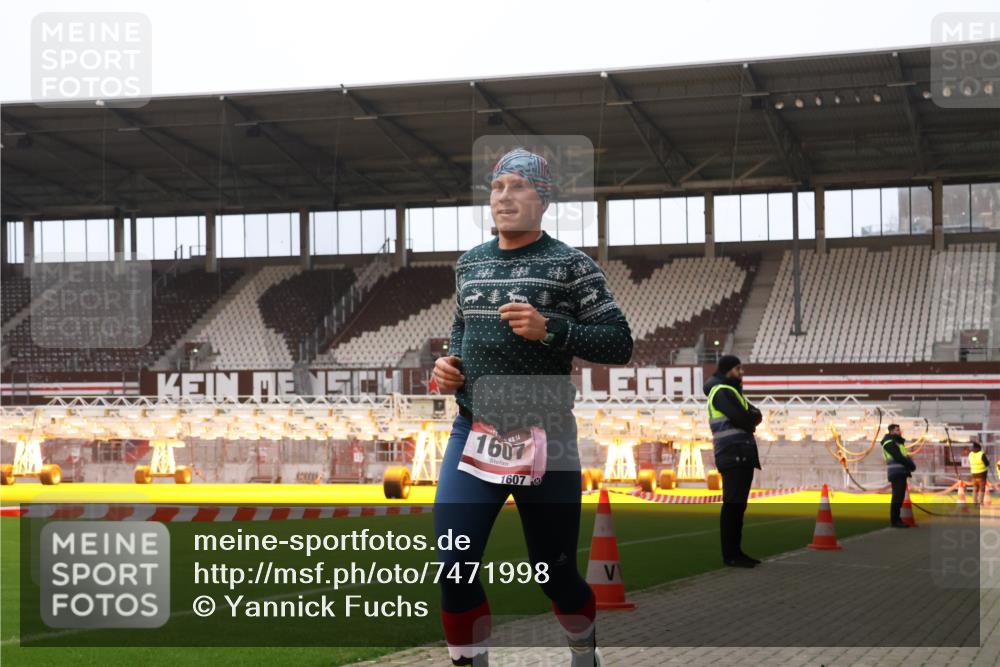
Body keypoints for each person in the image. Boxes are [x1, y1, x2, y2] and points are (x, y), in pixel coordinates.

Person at [432, 147, 633, 667]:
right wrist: (447, 366)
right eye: (497, 187)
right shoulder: (470, 264)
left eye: (517, 186)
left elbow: (619, 342)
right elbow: (460, 331)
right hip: (473, 433)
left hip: (548, 441)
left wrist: (551, 330)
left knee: (555, 573)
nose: (504, 197)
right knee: (453, 565)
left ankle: (583, 652)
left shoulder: (571, 265)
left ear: (544, 199)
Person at [703, 355, 763, 568]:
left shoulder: (732, 392)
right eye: (738, 368)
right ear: (728, 370)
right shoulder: (722, 392)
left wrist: (750, 418)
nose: (741, 372)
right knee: (733, 506)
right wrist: (750, 420)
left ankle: (736, 552)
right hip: (733, 453)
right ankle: (731, 555)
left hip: (739, 454)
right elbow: (745, 418)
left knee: (737, 506)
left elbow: (756, 415)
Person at [881, 424, 916, 527]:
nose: (899, 432)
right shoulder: (889, 442)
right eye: (897, 430)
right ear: (891, 431)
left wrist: (910, 464)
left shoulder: (898, 442)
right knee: (897, 497)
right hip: (896, 472)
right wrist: (910, 465)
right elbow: (898, 456)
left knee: (899, 497)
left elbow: (904, 456)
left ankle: (897, 520)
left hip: (900, 472)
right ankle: (895, 521)